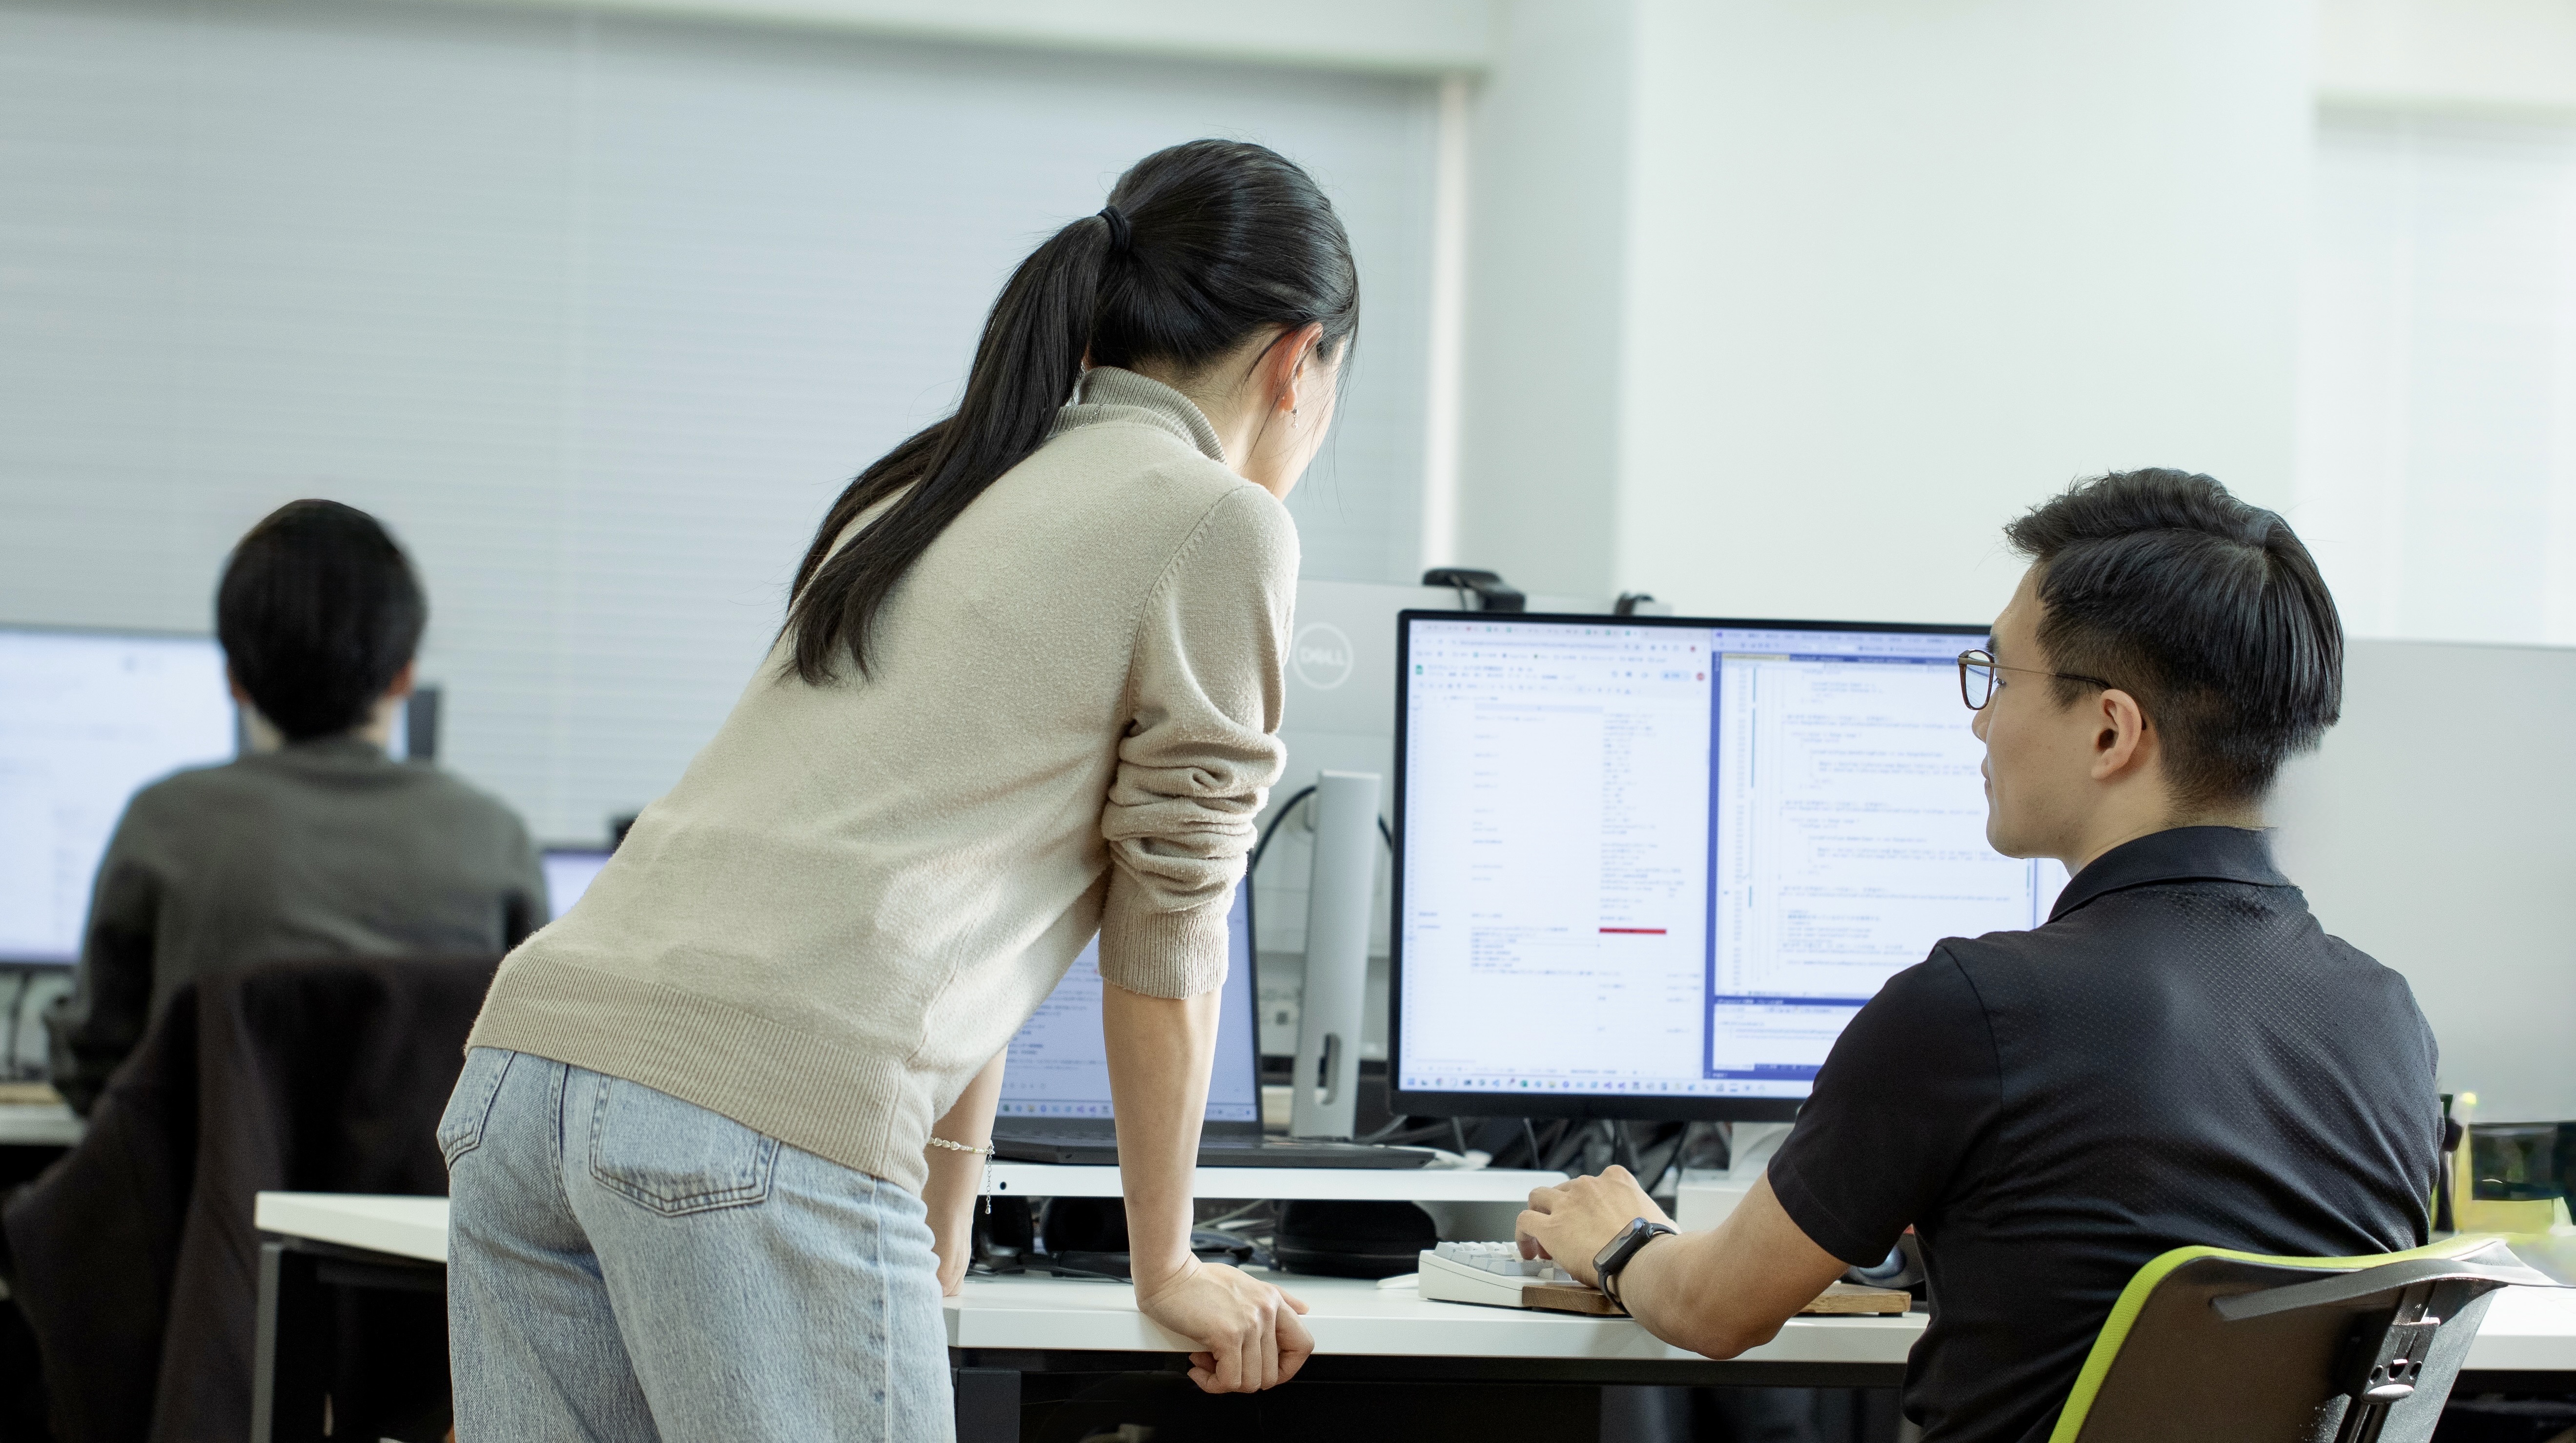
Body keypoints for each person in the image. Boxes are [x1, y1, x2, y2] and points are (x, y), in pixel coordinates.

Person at [442, 138, 1354, 1441]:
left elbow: (950, 886)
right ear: (1296, 360)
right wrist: (1166, 1263)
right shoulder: (1216, 518)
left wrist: (938, 1225)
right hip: (748, 1120)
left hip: (527, 1081)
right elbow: (1170, 931)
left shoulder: (938, 479)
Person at [1517, 469, 2441, 1443]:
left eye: (1998, 677)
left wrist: (1619, 1236)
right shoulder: (2387, 1018)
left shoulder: (1973, 1007)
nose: (1978, 718)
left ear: (2109, 728)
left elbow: (1712, 1308)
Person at [47, 499, 546, 1113]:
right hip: (432, 1181)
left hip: (217, 1178)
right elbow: (534, 1080)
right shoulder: (495, 838)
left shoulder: (165, 823)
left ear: (234, 680)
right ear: (404, 676)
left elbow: (96, 1068)